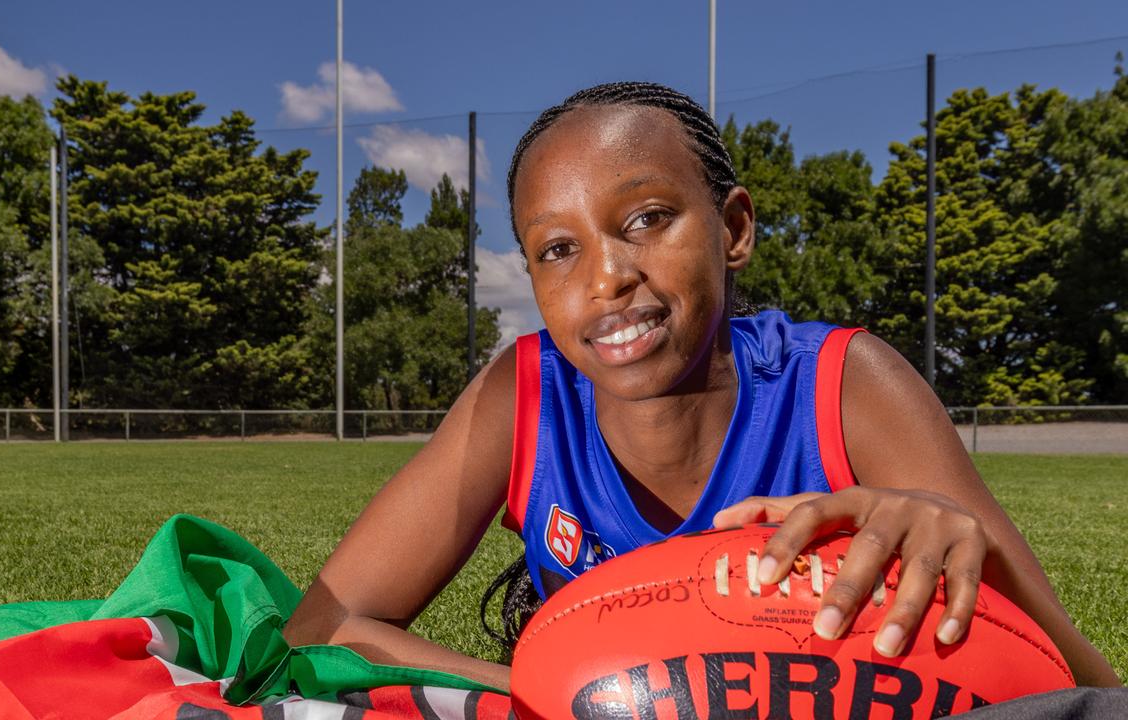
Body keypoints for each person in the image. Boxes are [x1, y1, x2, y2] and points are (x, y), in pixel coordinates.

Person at [283, 82, 1120, 692]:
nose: (607, 277)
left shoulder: (841, 384)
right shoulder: (528, 392)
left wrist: (951, 542)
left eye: (646, 218)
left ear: (733, 229)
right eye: (557, 249)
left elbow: (1087, 686)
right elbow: (325, 625)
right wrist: (560, 694)